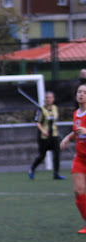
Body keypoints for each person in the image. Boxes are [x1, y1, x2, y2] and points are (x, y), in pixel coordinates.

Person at [60, 83, 86, 234]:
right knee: (78, 190)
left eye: (84, 92)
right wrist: (68, 138)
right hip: (81, 158)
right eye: (79, 92)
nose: (81, 94)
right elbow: (77, 131)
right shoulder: (76, 113)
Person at [28, 91, 64, 180]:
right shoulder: (41, 109)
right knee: (42, 156)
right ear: (44, 99)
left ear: (53, 99)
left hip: (54, 135)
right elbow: (37, 122)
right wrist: (43, 131)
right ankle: (32, 168)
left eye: (50, 97)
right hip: (44, 137)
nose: (48, 99)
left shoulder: (55, 108)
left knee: (57, 154)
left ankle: (56, 173)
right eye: (47, 97)